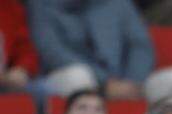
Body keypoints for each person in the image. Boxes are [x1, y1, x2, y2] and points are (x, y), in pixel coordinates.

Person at [27, 0, 155, 98]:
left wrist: (133, 81)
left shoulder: (119, 3)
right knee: (78, 77)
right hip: (65, 76)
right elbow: (52, 50)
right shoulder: (41, 4)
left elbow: (140, 46)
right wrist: (104, 83)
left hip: (124, 79)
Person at [0, 0, 38, 91]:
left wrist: (22, 69)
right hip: (3, 79)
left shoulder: (10, 6)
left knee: (42, 90)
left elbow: (25, 48)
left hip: (6, 81)